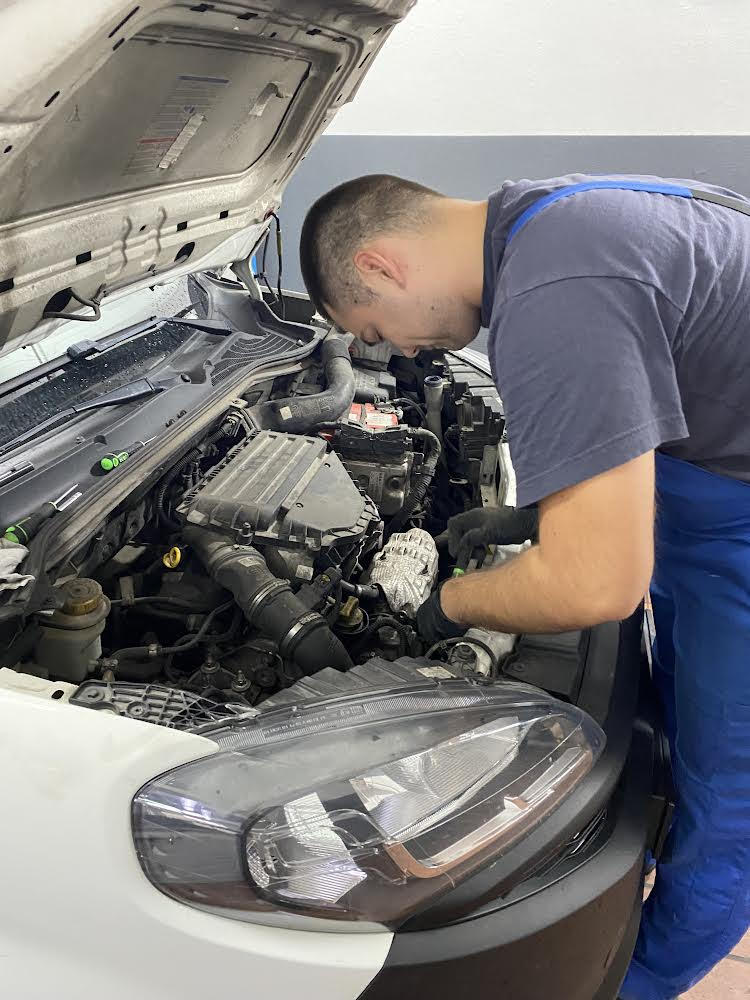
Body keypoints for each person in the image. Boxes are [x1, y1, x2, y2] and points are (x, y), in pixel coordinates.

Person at [298, 173, 750, 1000]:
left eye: (375, 329)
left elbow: (597, 586)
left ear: (381, 265)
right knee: (690, 736)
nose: (402, 353)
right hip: (714, 510)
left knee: (731, 801)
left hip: (736, 535)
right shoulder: (556, 216)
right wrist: (536, 518)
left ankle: (638, 984)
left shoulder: (556, 293)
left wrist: (449, 607)